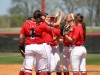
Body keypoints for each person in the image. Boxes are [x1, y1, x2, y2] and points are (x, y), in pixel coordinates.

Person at [19, 10, 53, 75]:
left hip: (29, 47)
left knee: (28, 69)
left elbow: (21, 37)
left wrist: (21, 44)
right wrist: (45, 21)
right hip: (39, 47)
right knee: (41, 70)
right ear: (41, 17)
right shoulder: (41, 24)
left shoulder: (26, 23)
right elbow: (52, 28)